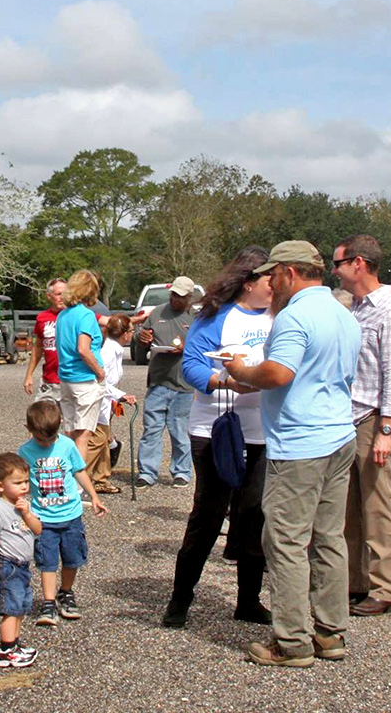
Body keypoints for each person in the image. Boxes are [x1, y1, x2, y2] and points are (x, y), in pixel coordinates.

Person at [224, 240, 361, 668]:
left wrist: (241, 371)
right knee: (329, 538)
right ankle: (330, 632)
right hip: (340, 436)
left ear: (289, 273)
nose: (268, 282)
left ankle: (292, 641)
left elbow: (280, 373)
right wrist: (254, 382)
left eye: (272, 274)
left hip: (301, 444)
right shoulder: (343, 314)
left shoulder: (295, 316)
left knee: (285, 541)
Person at [163, 247, 274, 630]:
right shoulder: (215, 317)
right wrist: (222, 381)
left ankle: (248, 601)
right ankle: (180, 599)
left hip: (264, 430)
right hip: (214, 427)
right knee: (208, 515)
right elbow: (191, 364)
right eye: (268, 279)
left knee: (254, 515)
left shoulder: (283, 317)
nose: (276, 285)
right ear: (248, 283)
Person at [331, 235, 391, 617]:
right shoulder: (355, 309)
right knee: (348, 509)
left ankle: (385, 587)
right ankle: (354, 581)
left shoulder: (390, 311)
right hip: (348, 419)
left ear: (358, 264)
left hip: (371, 419)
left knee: (378, 506)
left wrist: (386, 427)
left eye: (338, 264)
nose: (334, 271)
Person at [18, 400, 107, 628]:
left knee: (72, 558)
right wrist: (18, 509)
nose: (46, 443)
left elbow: (79, 471)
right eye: (40, 439)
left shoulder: (67, 445)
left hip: (71, 515)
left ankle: (65, 592)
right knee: (47, 562)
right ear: (29, 430)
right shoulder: (25, 452)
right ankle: (48, 602)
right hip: (43, 518)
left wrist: (94, 496)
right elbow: (20, 483)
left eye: (50, 438)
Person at [136, 275, 198, 487]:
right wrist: (142, 338)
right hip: (158, 381)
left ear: (189, 298)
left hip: (184, 384)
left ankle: (181, 471)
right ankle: (147, 473)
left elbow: (204, 348)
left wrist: (186, 348)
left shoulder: (196, 318)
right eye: (173, 295)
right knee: (151, 429)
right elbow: (142, 336)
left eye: (180, 297)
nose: (175, 300)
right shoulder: (157, 312)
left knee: (180, 430)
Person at [0, 452, 42, 669]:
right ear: (0, 486)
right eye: (17, 483)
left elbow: (37, 529)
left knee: (21, 606)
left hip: (23, 564)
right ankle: (6, 650)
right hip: (6, 564)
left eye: (26, 481)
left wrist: (27, 513)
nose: (24, 487)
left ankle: (15, 644)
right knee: (11, 608)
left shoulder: (25, 504)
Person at [54, 270, 107, 459]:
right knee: (83, 435)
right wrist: (100, 372)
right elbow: (83, 349)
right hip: (84, 380)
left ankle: (68, 477)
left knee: (69, 432)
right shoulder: (86, 316)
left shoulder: (62, 315)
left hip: (66, 378)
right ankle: (79, 485)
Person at [84, 314, 136, 494]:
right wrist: (121, 395)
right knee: (97, 440)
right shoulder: (108, 352)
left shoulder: (115, 349)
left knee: (104, 439)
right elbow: (100, 381)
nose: (132, 334)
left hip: (106, 402)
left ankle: (101, 478)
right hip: (97, 401)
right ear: (125, 334)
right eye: (131, 331)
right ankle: (79, 480)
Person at [24, 278, 67, 403]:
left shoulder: (76, 315)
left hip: (71, 381)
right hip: (49, 380)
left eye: (66, 293)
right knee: (40, 418)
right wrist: (29, 375)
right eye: (58, 294)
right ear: (49, 296)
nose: (62, 298)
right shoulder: (42, 318)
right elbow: (37, 348)